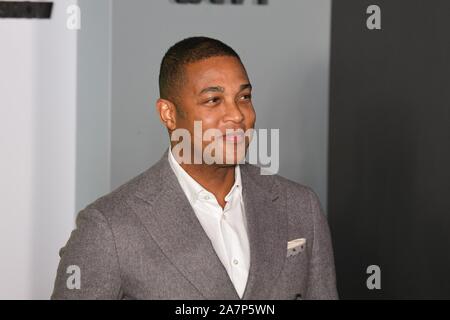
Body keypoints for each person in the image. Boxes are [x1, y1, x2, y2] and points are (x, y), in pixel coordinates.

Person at [51, 36, 338, 300]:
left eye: (244, 97)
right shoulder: (108, 227)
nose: (237, 115)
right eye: (214, 100)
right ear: (169, 114)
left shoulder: (300, 206)